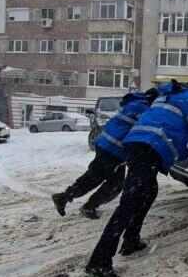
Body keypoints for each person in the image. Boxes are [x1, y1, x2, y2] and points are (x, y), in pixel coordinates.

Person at [84, 80, 188, 277]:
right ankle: (99, 261)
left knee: (148, 191)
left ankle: (131, 239)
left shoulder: (168, 97)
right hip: (148, 149)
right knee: (128, 204)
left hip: (137, 145)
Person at [51, 88, 158, 219]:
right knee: (96, 177)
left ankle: (87, 205)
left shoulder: (135, 103)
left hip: (110, 145)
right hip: (113, 148)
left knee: (114, 183)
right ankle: (66, 198)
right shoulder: (143, 109)